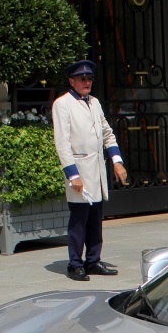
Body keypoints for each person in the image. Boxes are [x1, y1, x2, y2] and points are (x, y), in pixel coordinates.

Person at [52, 59, 129, 281]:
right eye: (82, 79)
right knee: (79, 220)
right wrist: (72, 174)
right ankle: (75, 263)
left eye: (89, 78)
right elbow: (62, 143)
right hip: (80, 171)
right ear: (72, 81)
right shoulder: (62, 104)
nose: (87, 82)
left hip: (96, 171)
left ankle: (93, 260)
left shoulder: (94, 102)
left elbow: (107, 132)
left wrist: (116, 160)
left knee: (95, 219)